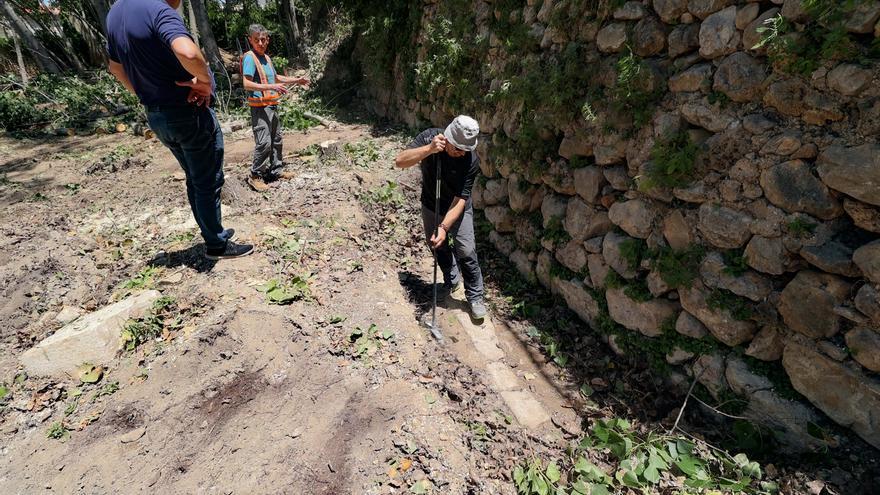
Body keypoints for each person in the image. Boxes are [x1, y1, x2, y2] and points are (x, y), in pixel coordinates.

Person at [105, 0, 252, 260]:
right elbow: (188, 53)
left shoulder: (116, 13)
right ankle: (216, 245)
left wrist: (143, 94)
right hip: (187, 112)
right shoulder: (158, 11)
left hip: (157, 115)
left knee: (194, 178)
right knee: (207, 180)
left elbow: (115, 68)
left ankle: (212, 231)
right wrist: (205, 81)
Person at [395, 116, 487, 320]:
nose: (461, 152)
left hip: (457, 206)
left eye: (466, 149)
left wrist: (444, 227)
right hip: (431, 202)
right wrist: (428, 150)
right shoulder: (429, 137)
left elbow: (460, 199)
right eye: (457, 148)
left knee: (466, 248)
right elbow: (400, 161)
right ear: (448, 139)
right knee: (436, 244)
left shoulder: (470, 161)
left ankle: (475, 296)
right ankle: (451, 278)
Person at [241, 24, 310, 192]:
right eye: (256, 40)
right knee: (264, 142)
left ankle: (276, 170)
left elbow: (275, 77)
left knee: (277, 140)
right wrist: (270, 87)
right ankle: (256, 175)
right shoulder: (250, 58)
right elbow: (246, 83)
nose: (260, 43)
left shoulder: (266, 58)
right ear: (250, 40)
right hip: (259, 109)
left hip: (271, 105)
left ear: (268, 40)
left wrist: (296, 80)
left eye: (263, 39)